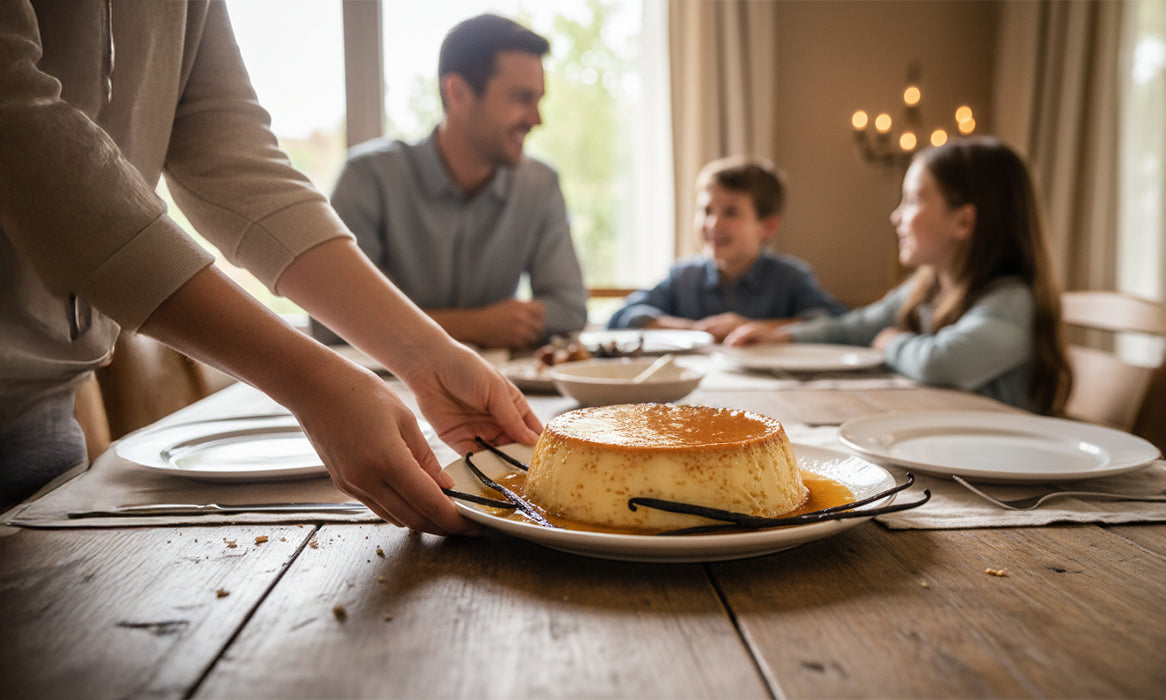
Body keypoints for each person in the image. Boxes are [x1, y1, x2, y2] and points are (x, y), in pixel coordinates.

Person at [0, 2, 540, 534]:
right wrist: (312, 380)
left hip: (43, 414)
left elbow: (237, 167)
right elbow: (22, 133)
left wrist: (430, 357)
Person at [728, 137, 1073, 414]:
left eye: (911, 200)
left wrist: (892, 342)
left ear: (963, 222)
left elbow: (942, 363)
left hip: (999, 460)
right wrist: (785, 338)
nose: (896, 217)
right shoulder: (927, 288)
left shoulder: (1012, 300)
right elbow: (855, 327)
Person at [316, 14, 587, 350]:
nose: (536, 119)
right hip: (386, 392)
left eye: (538, 100)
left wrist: (402, 324)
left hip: (498, 392)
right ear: (457, 93)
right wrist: (477, 326)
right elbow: (332, 319)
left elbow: (570, 308)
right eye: (521, 99)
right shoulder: (368, 177)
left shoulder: (540, 184)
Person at [607, 157, 845, 340]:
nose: (714, 224)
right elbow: (623, 317)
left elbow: (835, 322)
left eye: (731, 212)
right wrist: (695, 330)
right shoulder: (683, 277)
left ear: (768, 226)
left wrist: (751, 328)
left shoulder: (790, 277)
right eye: (707, 211)